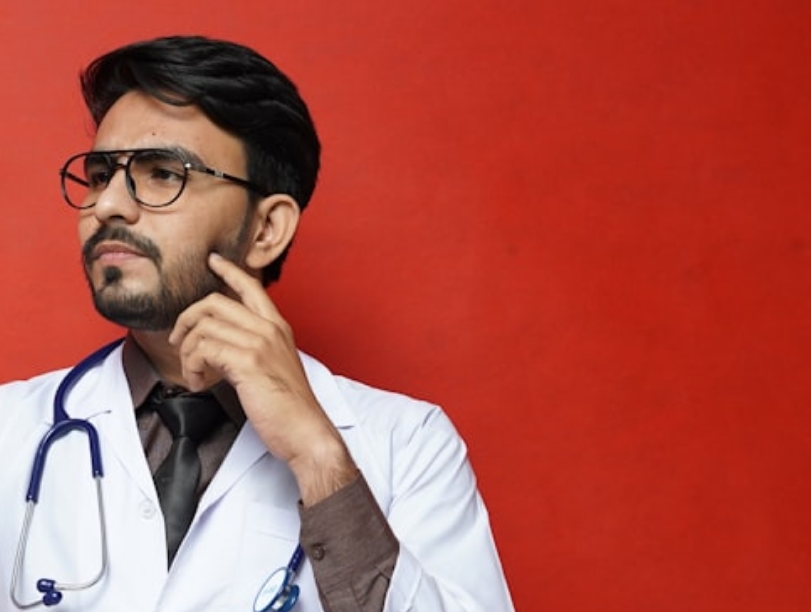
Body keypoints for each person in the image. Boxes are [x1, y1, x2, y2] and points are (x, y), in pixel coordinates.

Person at [0, 35, 515, 612]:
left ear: (267, 229)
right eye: (100, 175)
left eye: (163, 172)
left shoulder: (408, 445)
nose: (107, 206)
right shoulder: (9, 429)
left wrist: (321, 461)